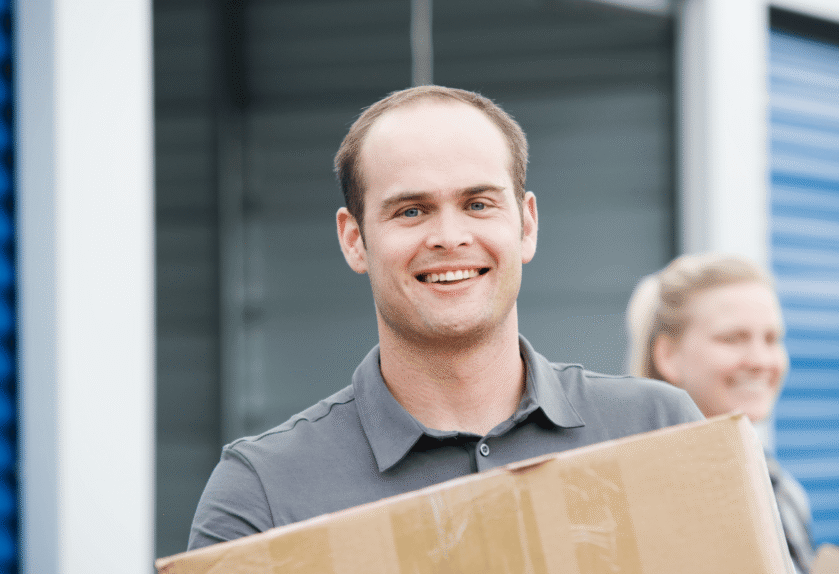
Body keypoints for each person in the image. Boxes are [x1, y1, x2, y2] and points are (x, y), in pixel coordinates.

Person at [187, 86, 704, 550]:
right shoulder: (262, 491)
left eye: (478, 204)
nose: (449, 238)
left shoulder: (659, 430)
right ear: (354, 239)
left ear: (526, 225)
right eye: (411, 211)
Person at [626, 253, 815, 574]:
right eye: (732, 339)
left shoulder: (783, 490)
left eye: (771, 339)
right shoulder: (633, 503)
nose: (760, 361)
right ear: (668, 355)